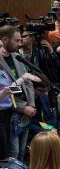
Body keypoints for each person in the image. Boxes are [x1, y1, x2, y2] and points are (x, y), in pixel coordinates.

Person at [0, 26, 39, 160]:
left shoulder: (17, 56)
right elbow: (7, 90)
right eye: (16, 40)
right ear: (5, 40)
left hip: (25, 109)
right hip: (10, 112)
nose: (20, 44)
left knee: (22, 150)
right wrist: (22, 108)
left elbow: (28, 83)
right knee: (13, 153)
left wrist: (31, 104)